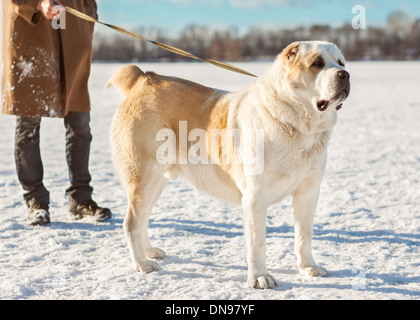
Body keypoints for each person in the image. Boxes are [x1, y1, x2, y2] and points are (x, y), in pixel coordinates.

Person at [2, 0, 112, 226]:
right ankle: (36, 201)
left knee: (80, 122)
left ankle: (81, 199)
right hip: (32, 32)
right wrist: (36, 3)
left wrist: (88, 12)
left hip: (73, 31)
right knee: (28, 124)